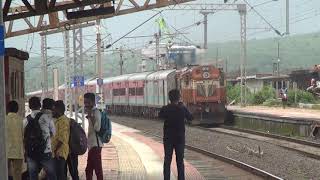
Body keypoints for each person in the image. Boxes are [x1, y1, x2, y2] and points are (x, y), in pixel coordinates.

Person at [159, 89, 193, 180]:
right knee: (180, 161)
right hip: (180, 139)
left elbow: (160, 116)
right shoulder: (182, 108)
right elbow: (191, 118)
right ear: (179, 97)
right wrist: (183, 107)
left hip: (168, 138)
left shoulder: (165, 108)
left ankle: (166, 178)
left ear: (169, 98)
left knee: (167, 160)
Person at [24, 97, 57, 180]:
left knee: (33, 176)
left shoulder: (25, 120)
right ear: (40, 105)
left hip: (31, 152)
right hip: (45, 151)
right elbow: (54, 133)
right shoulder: (46, 117)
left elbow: (23, 137)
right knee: (51, 176)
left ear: (30, 107)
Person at [84, 93, 103, 180]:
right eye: (85, 102)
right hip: (92, 146)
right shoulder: (92, 112)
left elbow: (97, 128)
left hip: (96, 145)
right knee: (89, 170)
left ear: (92, 102)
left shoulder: (96, 112)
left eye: (87, 102)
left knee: (97, 170)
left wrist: (90, 116)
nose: (85, 105)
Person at [52, 100, 70, 180]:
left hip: (60, 152)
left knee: (60, 175)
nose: (52, 111)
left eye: (53, 109)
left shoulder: (63, 121)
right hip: (57, 151)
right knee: (58, 173)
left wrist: (55, 150)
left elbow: (62, 138)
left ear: (58, 110)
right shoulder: (59, 120)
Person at [6, 101, 24, 180]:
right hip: (18, 151)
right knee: (17, 174)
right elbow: (24, 135)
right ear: (17, 109)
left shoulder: (4, 119)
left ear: (7, 109)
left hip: (6, 151)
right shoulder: (21, 120)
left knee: (4, 172)